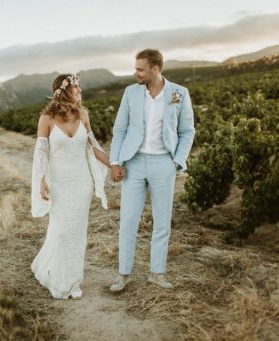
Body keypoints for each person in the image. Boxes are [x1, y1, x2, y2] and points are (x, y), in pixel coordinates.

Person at [108, 49, 195, 292]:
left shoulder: (179, 93)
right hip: (133, 163)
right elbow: (120, 130)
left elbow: (188, 131)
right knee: (128, 221)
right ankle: (123, 274)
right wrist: (115, 161)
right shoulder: (131, 93)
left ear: (155, 69)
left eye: (140, 69)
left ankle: (157, 273)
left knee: (162, 222)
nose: (135, 73)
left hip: (163, 164)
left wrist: (177, 161)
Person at [31, 73, 109, 299]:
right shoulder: (46, 118)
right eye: (77, 87)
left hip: (81, 182)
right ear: (64, 90)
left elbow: (93, 146)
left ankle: (72, 280)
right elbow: (41, 154)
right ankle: (55, 274)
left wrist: (113, 165)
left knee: (76, 233)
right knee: (62, 230)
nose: (80, 91)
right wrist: (41, 180)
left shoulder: (84, 114)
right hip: (59, 182)